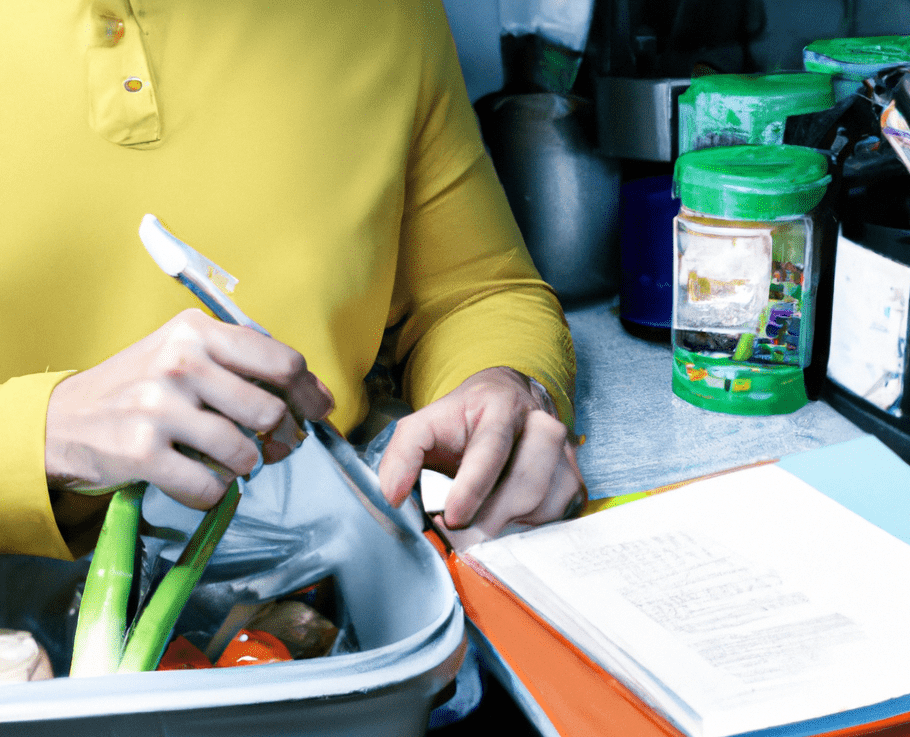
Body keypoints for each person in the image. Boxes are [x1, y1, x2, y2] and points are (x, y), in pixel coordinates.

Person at [1, 0, 584, 559]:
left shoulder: (389, 13)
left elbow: (477, 292)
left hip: (325, 594)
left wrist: (503, 389)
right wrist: (34, 437)